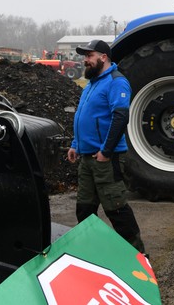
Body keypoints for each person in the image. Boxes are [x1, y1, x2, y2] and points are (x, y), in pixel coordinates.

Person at [66, 39, 146, 253]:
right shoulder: (92, 84)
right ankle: (90, 254)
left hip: (106, 159)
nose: (85, 60)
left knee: (117, 209)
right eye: (85, 56)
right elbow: (84, 118)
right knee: (84, 210)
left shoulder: (116, 81)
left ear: (103, 57)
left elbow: (120, 117)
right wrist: (75, 145)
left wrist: (106, 151)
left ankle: (139, 258)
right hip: (86, 157)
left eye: (89, 56)